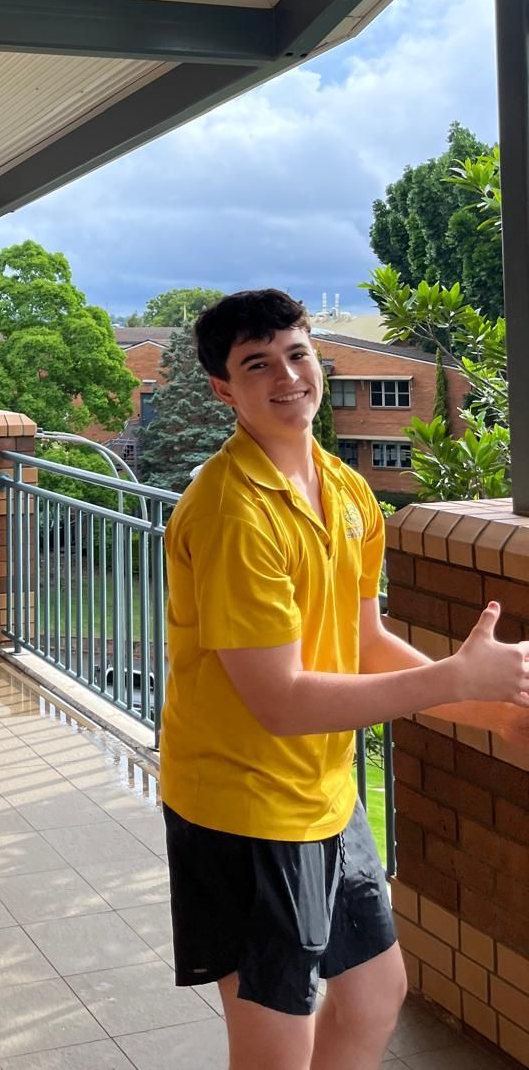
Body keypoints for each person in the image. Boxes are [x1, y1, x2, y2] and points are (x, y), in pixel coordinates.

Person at [160, 288, 529, 1070]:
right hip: (243, 808)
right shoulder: (231, 512)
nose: (287, 376)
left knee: (373, 995)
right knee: (275, 1045)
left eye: (297, 354)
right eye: (257, 365)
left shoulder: (347, 489)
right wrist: (455, 676)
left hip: (325, 793)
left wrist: (491, 710)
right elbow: (281, 701)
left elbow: (364, 644)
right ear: (224, 390)